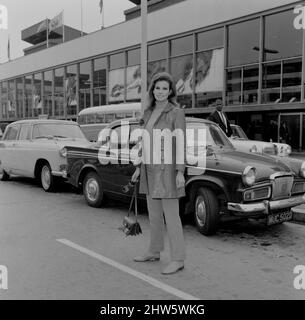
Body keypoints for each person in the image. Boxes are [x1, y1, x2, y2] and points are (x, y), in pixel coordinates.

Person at [131, 72, 186, 275]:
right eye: (157, 88)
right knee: (154, 215)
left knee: (172, 217)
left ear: (170, 91)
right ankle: (154, 251)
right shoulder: (148, 112)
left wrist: (180, 171)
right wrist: (138, 167)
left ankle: (178, 258)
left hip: (168, 171)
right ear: (152, 90)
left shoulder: (176, 112)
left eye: (164, 88)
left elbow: (180, 142)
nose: (160, 92)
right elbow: (143, 142)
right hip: (149, 170)